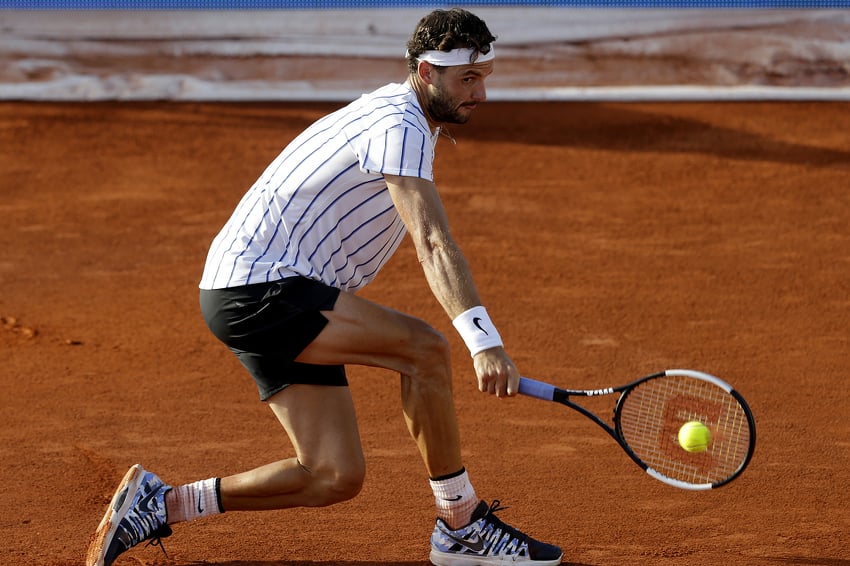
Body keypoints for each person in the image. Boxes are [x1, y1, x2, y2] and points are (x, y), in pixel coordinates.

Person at [86, 8, 563, 566]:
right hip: (261, 287)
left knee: (332, 474)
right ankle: (461, 525)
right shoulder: (399, 124)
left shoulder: (406, 120)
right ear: (427, 72)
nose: (480, 94)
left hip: (253, 290)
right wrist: (483, 342)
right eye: (468, 80)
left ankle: (162, 505)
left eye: (483, 77)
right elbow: (432, 241)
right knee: (425, 351)